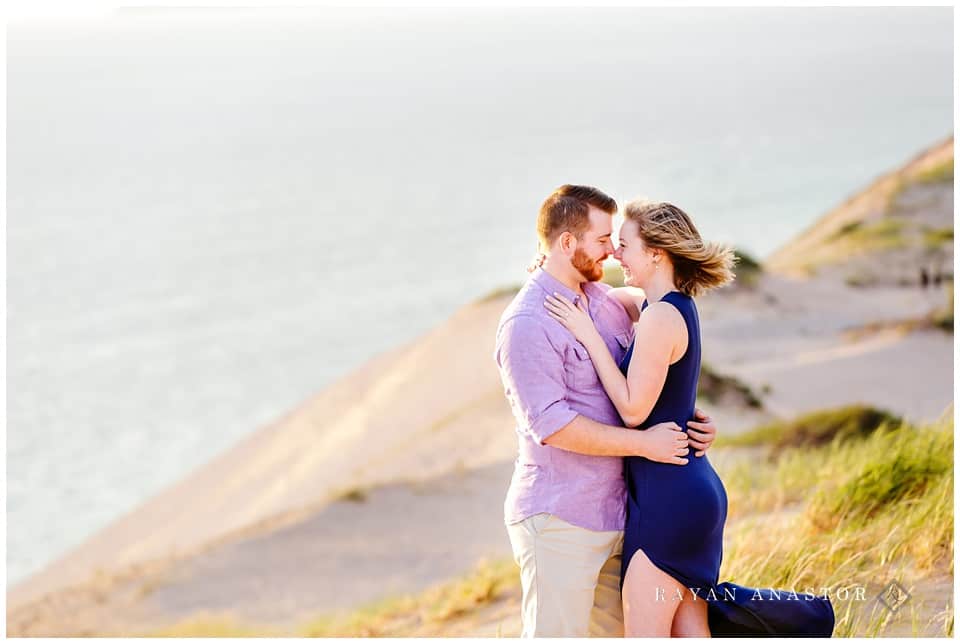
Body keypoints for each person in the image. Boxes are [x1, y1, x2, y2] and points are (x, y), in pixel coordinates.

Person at [545, 199, 835, 637]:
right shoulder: (668, 305)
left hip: (669, 502)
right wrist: (553, 267)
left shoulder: (660, 316)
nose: (616, 256)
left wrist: (588, 336)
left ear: (656, 253)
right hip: (687, 490)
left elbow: (631, 409)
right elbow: (603, 297)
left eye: (625, 246)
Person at [493, 185, 719, 637]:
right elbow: (552, 426)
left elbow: (666, 332)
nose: (612, 253)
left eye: (619, 241)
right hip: (561, 519)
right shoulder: (527, 324)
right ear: (567, 243)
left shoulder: (603, 300)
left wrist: (685, 418)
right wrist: (646, 442)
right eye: (603, 240)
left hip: (622, 514)